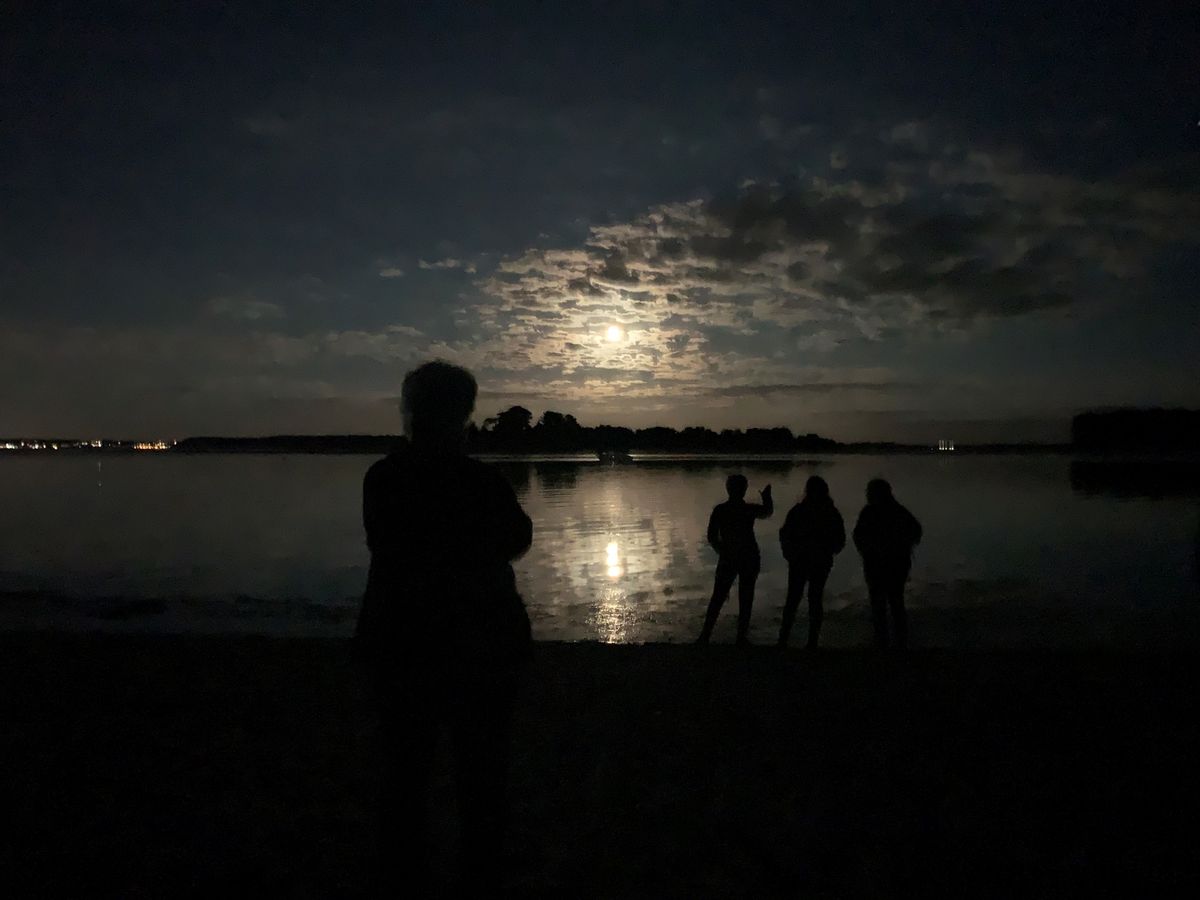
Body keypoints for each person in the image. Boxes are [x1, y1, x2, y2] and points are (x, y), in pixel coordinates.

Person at [355, 360, 533, 896]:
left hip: (401, 644)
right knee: (480, 776)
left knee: (405, 774)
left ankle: (407, 873)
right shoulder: (481, 481)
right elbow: (517, 539)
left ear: (410, 411)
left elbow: (384, 545)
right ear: (464, 415)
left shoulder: (385, 477)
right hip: (478, 646)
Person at [697, 474, 773, 645]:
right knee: (745, 597)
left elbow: (711, 536)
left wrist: (721, 551)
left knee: (719, 597)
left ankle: (705, 636)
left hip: (732, 557)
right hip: (748, 557)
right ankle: (739, 637)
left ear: (728, 489)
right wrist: (767, 498)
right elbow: (767, 512)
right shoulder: (747, 509)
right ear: (744, 490)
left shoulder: (721, 510)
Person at [852, 478, 922, 649]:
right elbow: (916, 532)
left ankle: (886, 641)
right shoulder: (897, 511)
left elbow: (858, 537)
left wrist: (871, 550)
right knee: (892, 603)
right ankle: (895, 642)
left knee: (883, 604)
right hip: (891, 565)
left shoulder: (872, 512)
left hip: (884, 566)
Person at [777, 475, 846, 649]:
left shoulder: (801, 511)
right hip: (810, 560)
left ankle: (786, 640)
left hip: (806, 560)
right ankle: (809, 641)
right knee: (812, 599)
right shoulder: (829, 512)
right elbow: (840, 540)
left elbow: (784, 534)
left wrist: (790, 552)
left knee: (796, 599)